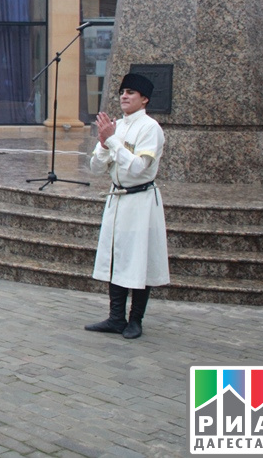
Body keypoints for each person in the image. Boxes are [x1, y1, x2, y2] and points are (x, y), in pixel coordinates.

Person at [85, 73, 169, 340]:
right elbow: (95, 167)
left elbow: (138, 166)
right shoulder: (116, 126)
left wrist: (111, 141)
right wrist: (102, 143)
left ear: (144, 99)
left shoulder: (150, 128)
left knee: (138, 259)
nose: (124, 96)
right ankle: (115, 317)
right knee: (117, 257)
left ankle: (135, 319)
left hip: (140, 200)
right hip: (117, 198)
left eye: (131, 92)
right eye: (122, 91)